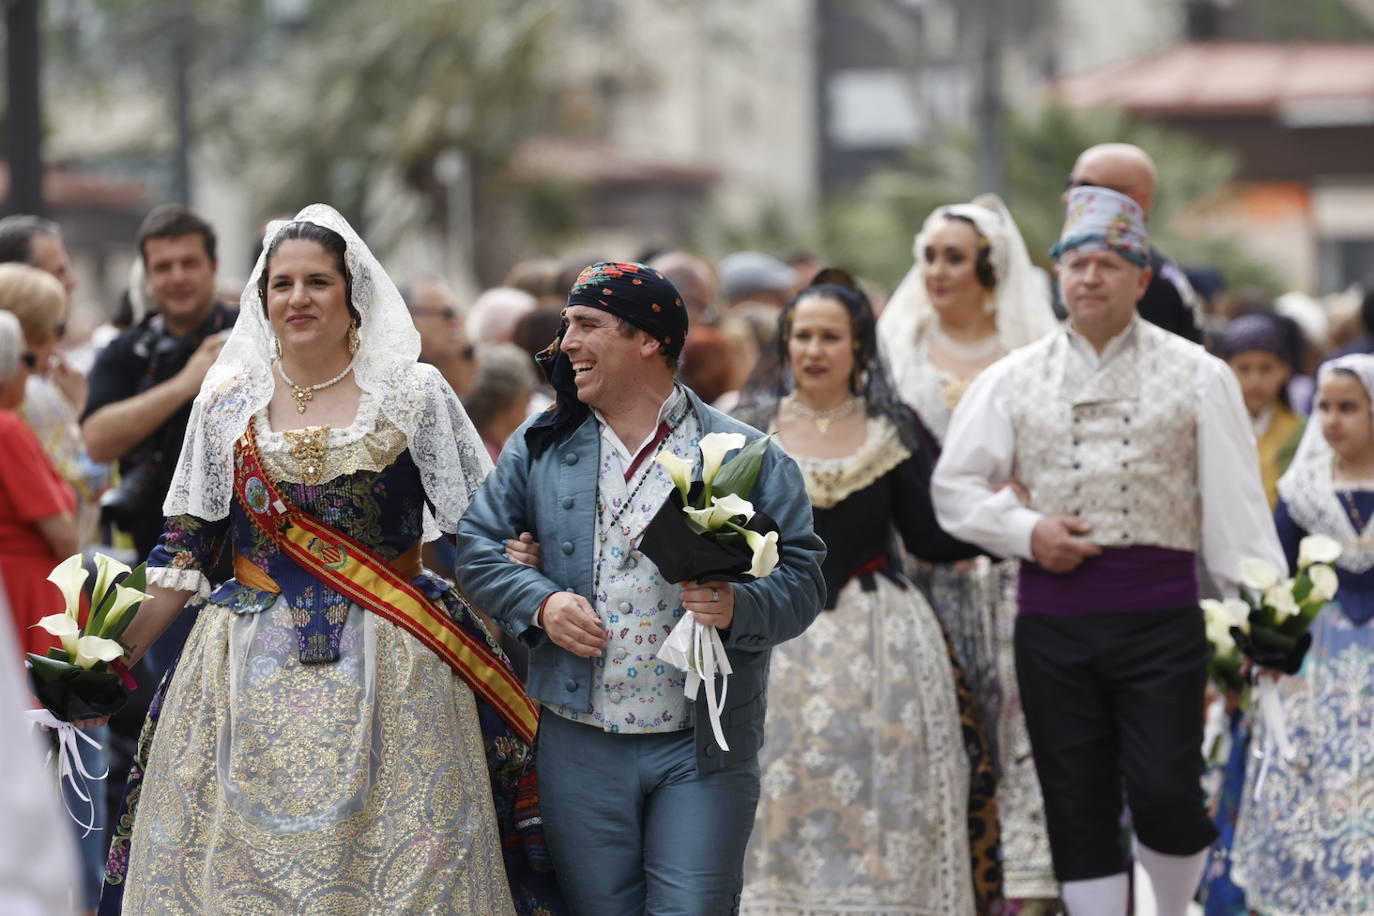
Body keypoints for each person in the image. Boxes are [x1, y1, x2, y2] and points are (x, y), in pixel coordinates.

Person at [94, 205, 556, 915]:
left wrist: (542, 609)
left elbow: (482, 536)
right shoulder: (225, 404)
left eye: (317, 282)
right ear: (262, 298)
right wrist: (103, 660)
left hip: (399, 665)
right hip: (243, 670)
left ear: (352, 296)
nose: (298, 298)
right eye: (282, 284)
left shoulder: (415, 392)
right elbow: (183, 550)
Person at [931, 186, 1286, 916]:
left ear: (1141, 279)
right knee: (1076, 795)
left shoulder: (1199, 374)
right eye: (1076, 263)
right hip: (1053, 622)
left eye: (1108, 264)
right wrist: (1027, 532)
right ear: (1057, 275)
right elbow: (954, 489)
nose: (1089, 277)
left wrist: (1264, 619)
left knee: (1165, 791)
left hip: (1160, 619)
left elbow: (1238, 518)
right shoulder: (1012, 377)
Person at [456, 261, 826, 916]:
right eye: (567, 324)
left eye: (587, 325)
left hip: (702, 744)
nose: (565, 343)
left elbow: (803, 580)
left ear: (648, 339)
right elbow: (478, 551)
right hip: (579, 740)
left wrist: (740, 604)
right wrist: (539, 601)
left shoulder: (744, 452)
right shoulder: (540, 446)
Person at [732, 272, 995, 914]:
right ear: (785, 343)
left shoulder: (893, 431)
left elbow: (931, 538)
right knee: (776, 782)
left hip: (882, 641)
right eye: (802, 336)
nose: (814, 350)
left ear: (860, 349)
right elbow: (710, 533)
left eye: (830, 337)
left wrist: (1006, 518)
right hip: (774, 633)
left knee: (884, 782)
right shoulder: (748, 428)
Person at [878, 192, 1062, 905]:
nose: (937, 271)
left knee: (1019, 727)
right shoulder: (894, 352)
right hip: (920, 571)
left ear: (990, 266)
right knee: (936, 737)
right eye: (929, 256)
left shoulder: (1029, 352)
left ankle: (1024, 886)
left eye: (955, 257)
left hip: (1013, 573)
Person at [1227, 355, 1374, 914]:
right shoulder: (1303, 492)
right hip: (1317, 662)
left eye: (1349, 408)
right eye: (1325, 407)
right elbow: (1272, 573)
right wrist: (1267, 644)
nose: (1333, 421)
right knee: (1314, 780)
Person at [81, 205, 236, 570]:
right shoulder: (128, 349)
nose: (177, 277)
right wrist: (186, 383)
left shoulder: (250, 332)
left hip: (246, 560)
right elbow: (96, 440)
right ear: (147, 277)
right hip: (154, 558)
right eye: (163, 267)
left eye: (189, 263)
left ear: (212, 267)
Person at [1064, 142, 1205, 342]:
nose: (1069, 197)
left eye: (1086, 187)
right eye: (1078, 265)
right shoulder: (1148, 266)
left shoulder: (1144, 277)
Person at [1217, 311, 1305, 508]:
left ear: (1284, 370)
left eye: (1266, 368)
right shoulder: (1214, 429)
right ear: (1225, 369)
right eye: (1244, 368)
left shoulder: (1303, 433)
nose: (1254, 381)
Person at [399, 273, 478, 397]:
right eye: (447, 313)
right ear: (409, 316)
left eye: (456, 312)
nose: (456, 321)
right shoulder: (398, 384)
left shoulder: (463, 371)